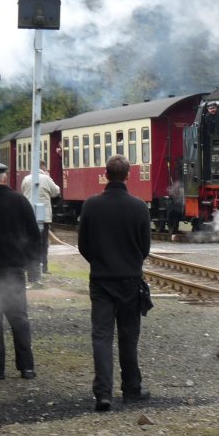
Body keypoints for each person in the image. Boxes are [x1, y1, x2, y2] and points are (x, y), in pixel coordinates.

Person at [77, 154, 152, 412]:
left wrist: (100, 262)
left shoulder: (91, 205)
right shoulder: (139, 207)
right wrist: (130, 263)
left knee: (101, 336)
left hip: (101, 281)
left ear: (105, 174)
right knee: (128, 336)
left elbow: (83, 245)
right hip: (130, 280)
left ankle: (103, 394)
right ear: (128, 175)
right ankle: (131, 389)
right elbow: (145, 248)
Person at [0, 161, 42, 380]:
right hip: (14, 270)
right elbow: (34, 236)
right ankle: (27, 367)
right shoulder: (20, 201)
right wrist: (33, 266)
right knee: (19, 319)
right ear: (4, 177)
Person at [20, 160, 61, 281]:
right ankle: (44, 266)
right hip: (43, 215)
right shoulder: (46, 178)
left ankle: (29, 265)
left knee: (29, 241)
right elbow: (56, 191)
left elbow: (23, 191)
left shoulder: (26, 179)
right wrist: (49, 177)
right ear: (43, 167)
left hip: (28, 214)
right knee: (43, 242)